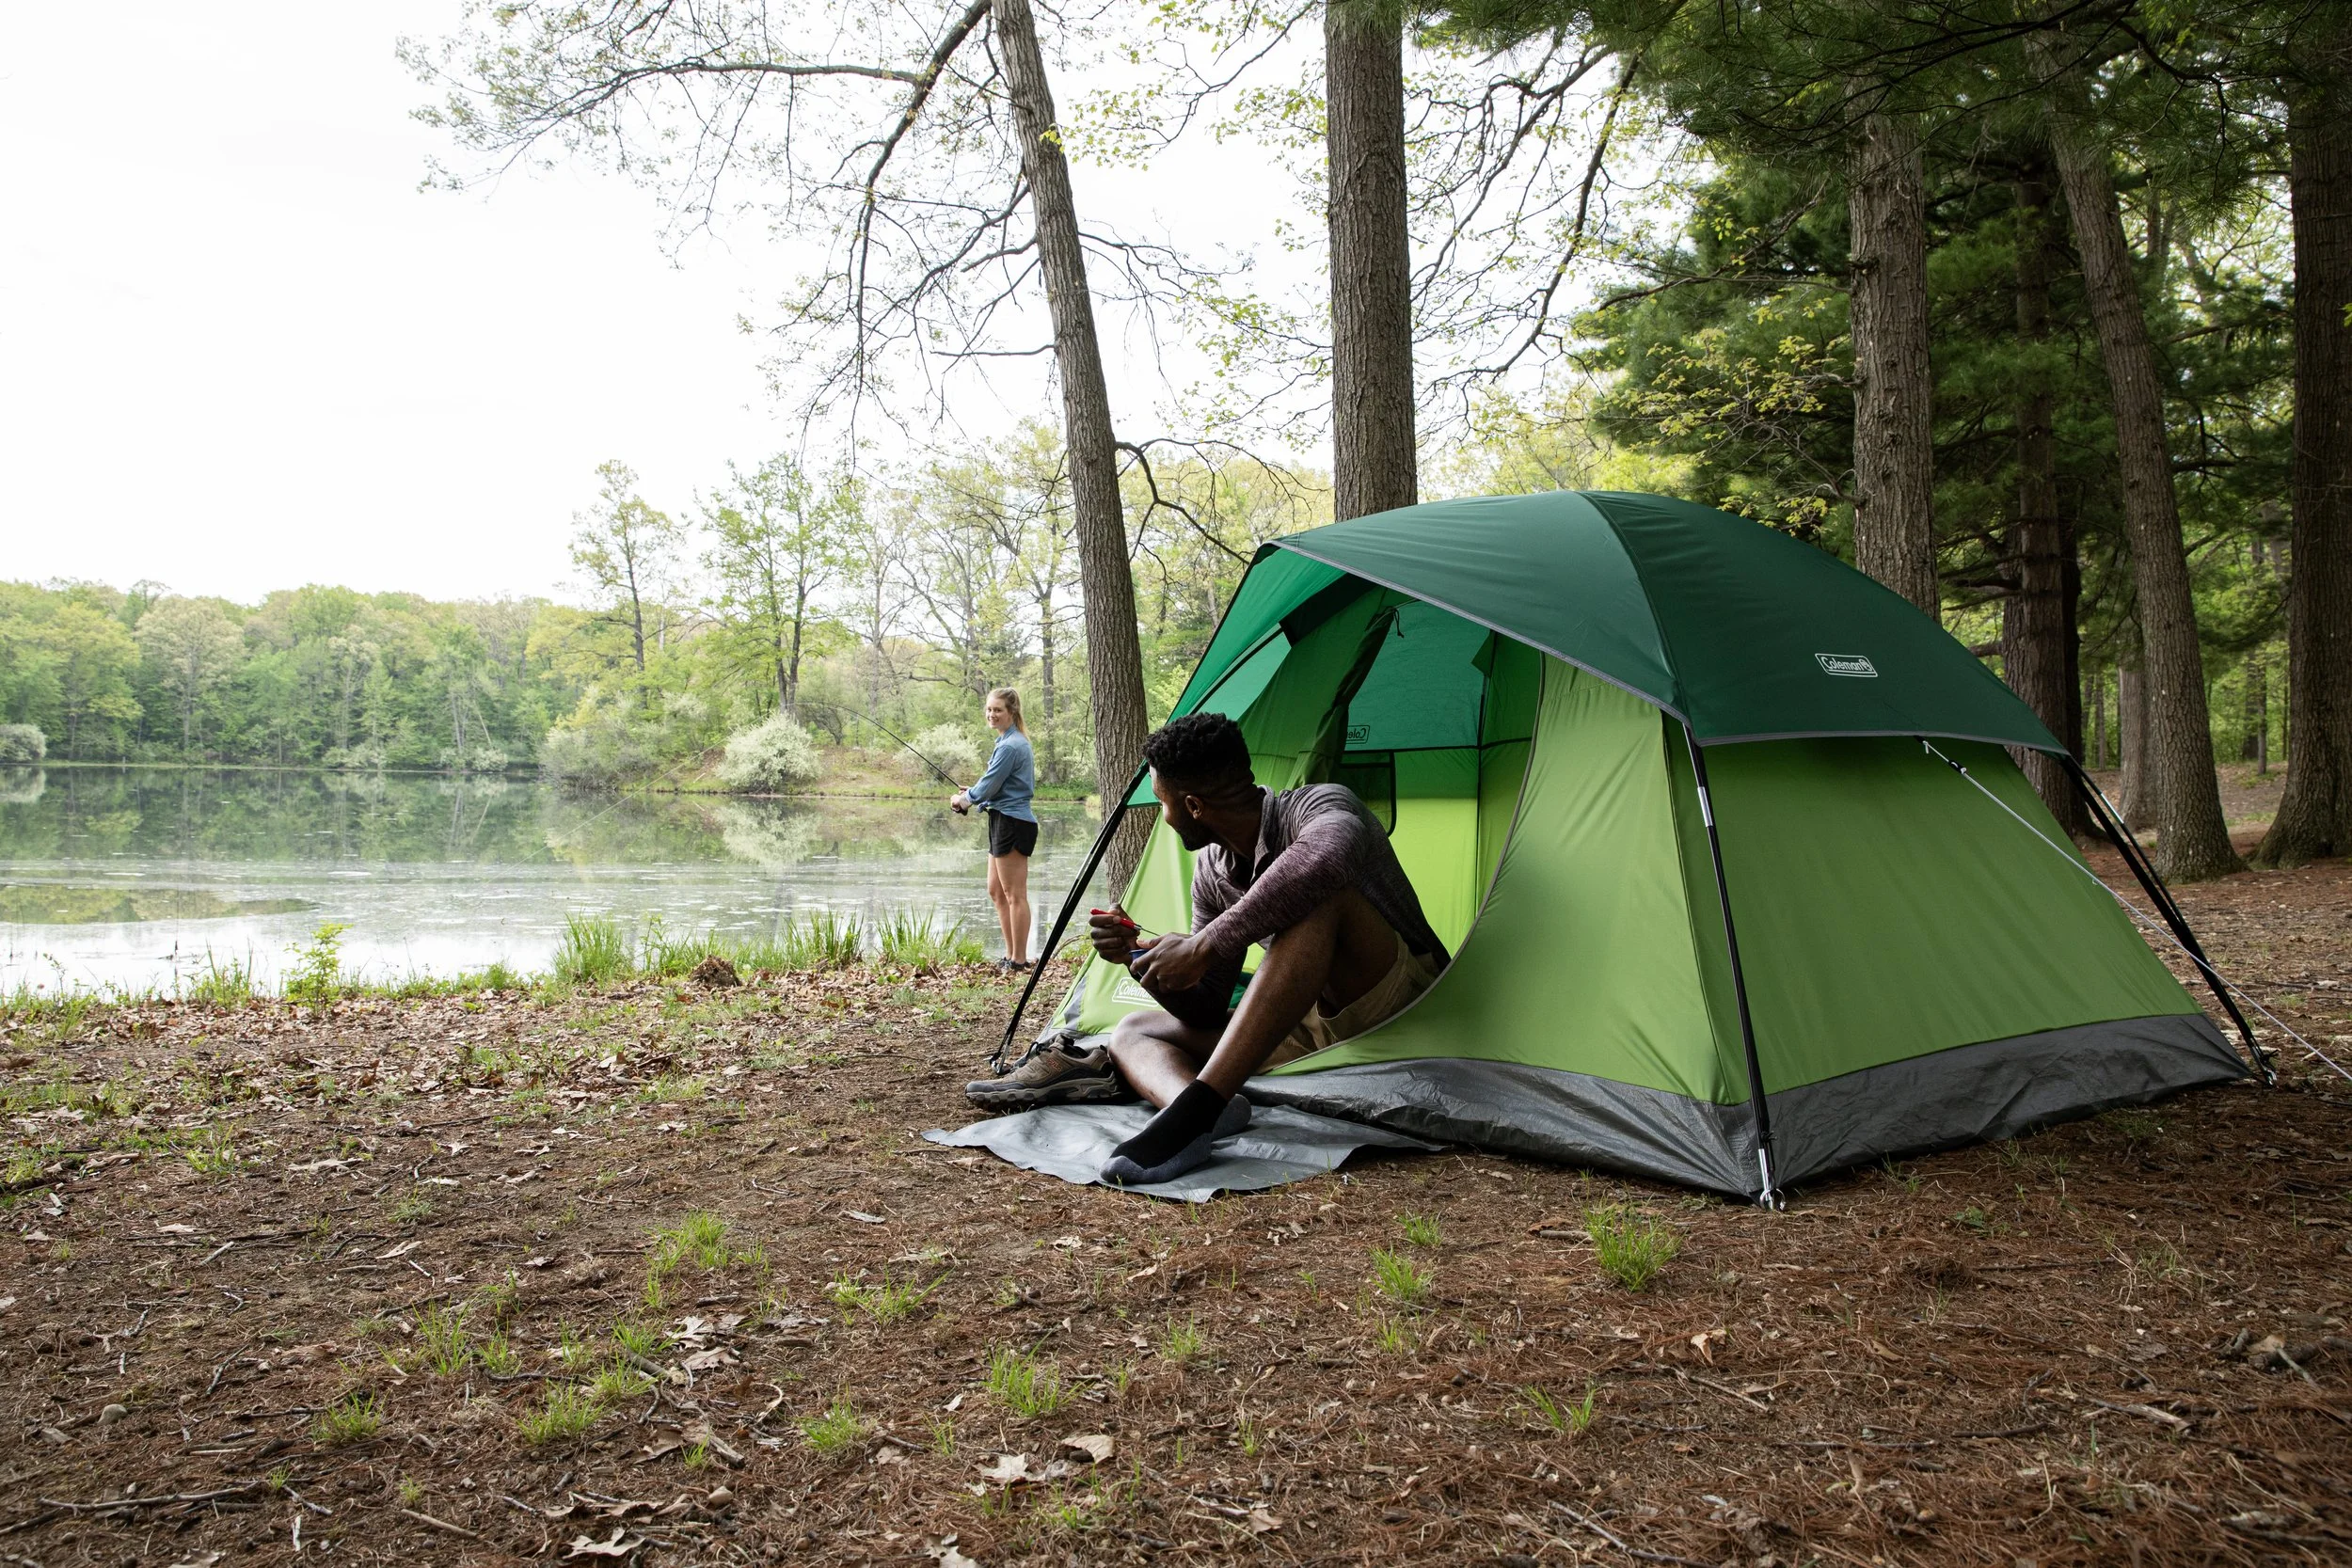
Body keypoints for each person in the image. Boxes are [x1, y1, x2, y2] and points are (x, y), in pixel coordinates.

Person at [966, 710, 1448, 1185]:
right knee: (1132, 1030)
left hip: (1395, 999)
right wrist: (1137, 957)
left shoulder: (1318, 806)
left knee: (1320, 898)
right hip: (1309, 1021)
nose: (1164, 815)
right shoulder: (1213, 871)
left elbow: (1327, 857)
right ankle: (1202, 1107)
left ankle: (1194, 1116)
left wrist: (1204, 945)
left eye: (1162, 802)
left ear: (1193, 805)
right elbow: (1205, 1007)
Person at [951, 688, 1038, 973]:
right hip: (1001, 818)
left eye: (998, 710)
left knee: (1015, 894)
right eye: (989, 709)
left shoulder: (1011, 745)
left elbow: (989, 785)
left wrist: (963, 800)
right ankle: (1010, 954)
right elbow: (994, 786)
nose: (992, 714)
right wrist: (975, 793)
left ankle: (1019, 960)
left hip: (1013, 822)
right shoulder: (1006, 741)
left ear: (1011, 712)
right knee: (996, 891)